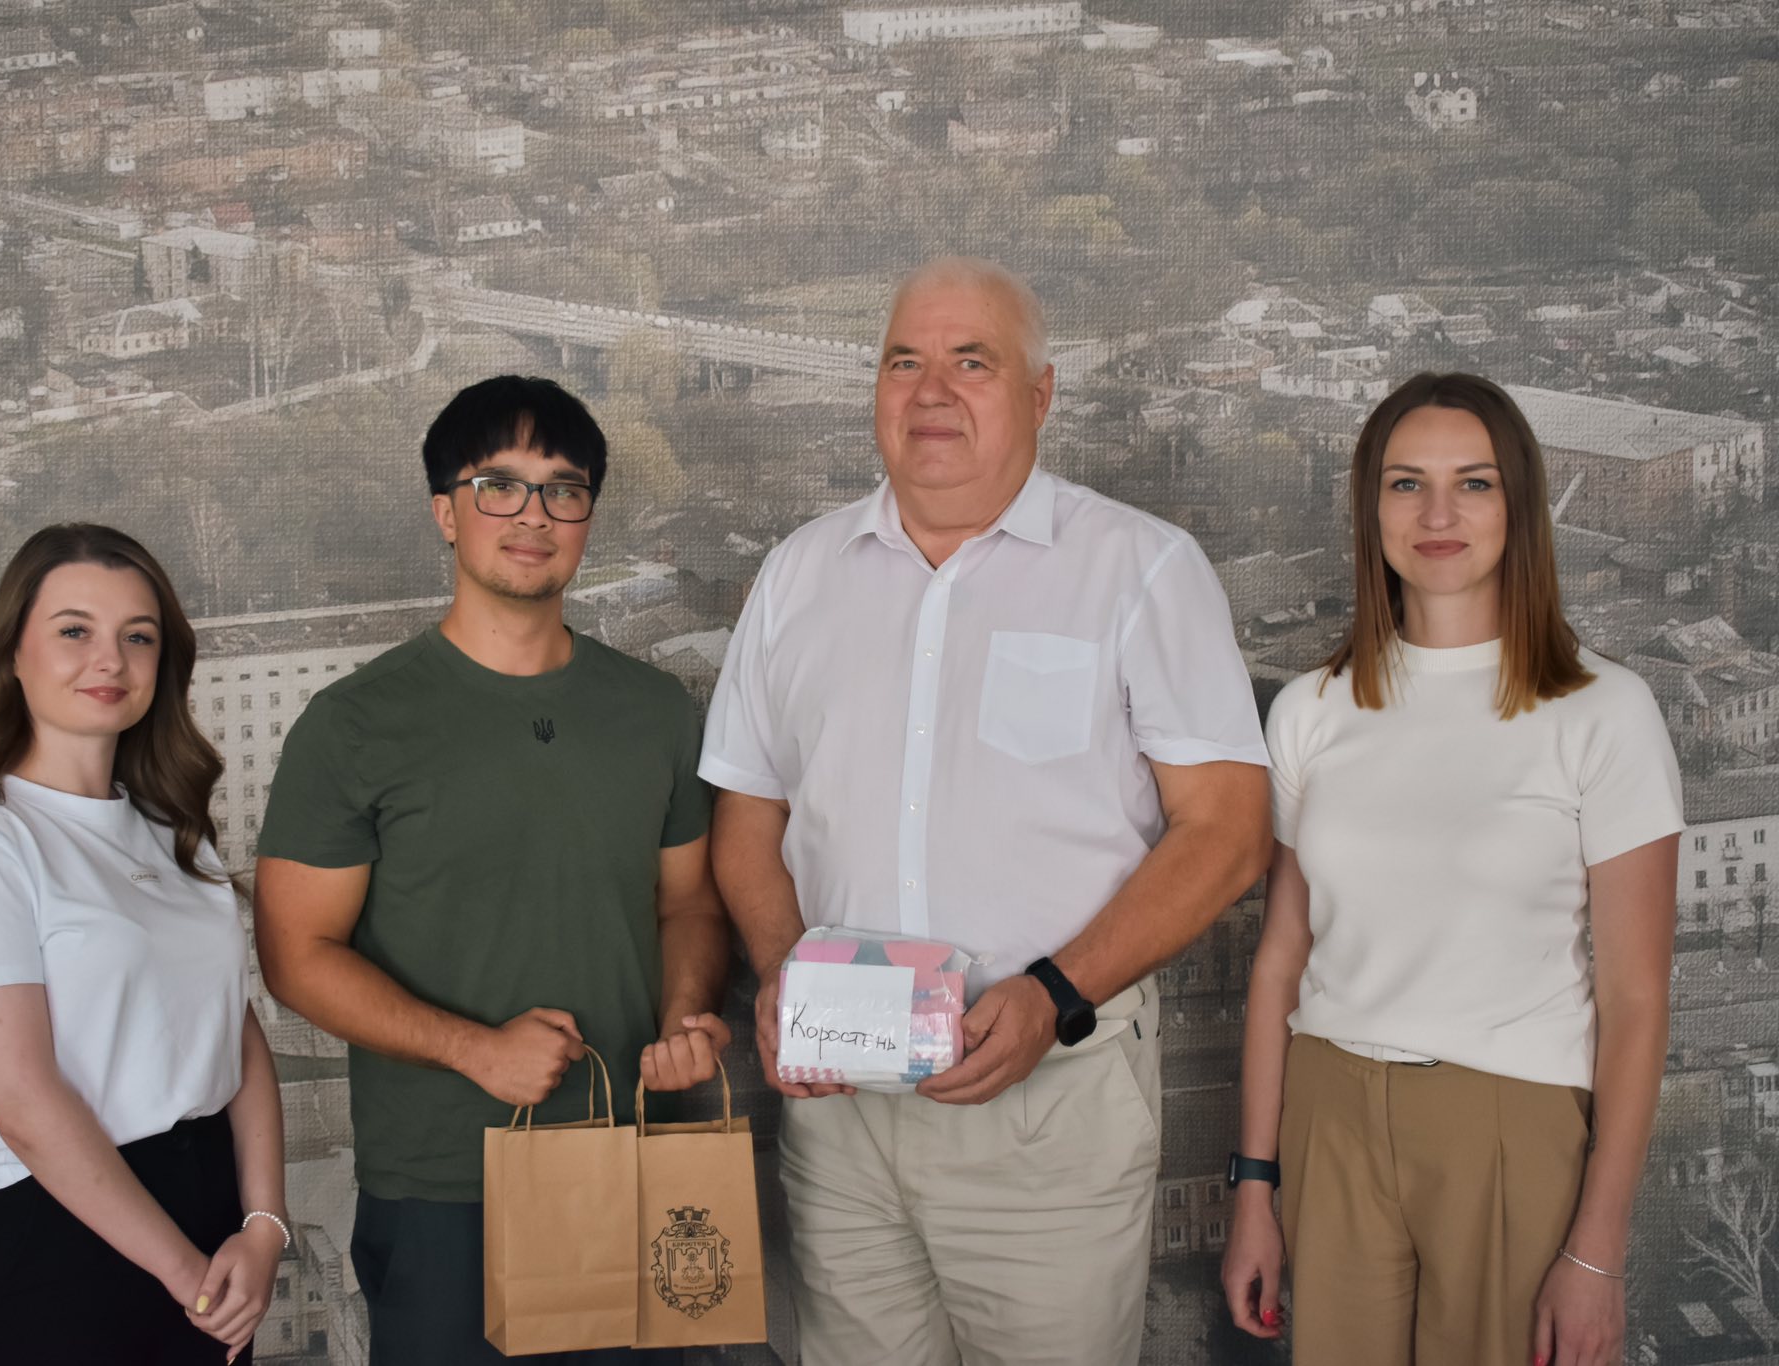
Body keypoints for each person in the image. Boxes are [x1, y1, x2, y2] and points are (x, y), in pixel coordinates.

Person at [700, 257, 1273, 1366]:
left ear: (1040, 393)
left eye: (972, 363)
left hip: (1050, 1108)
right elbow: (747, 822)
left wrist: (1056, 992)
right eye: (903, 362)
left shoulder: (1141, 570)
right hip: (840, 1116)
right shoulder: (796, 575)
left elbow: (1228, 832)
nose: (931, 392)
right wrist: (781, 975)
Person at [252, 375, 730, 1365]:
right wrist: (474, 1050)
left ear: (588, 515)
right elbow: (296, 955)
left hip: (628, 1155)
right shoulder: (352, 726)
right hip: (443, 1185)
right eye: (498, 485)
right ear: (445, 512)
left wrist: (684, 1022)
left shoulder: (655, 711)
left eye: (564, 488)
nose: (533, 515)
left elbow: (687, 905)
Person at [1220, 373, 1682, 1366]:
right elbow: (1279, 962)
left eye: (1472, 483)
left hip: (1511, 1120)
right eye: (1405, 484)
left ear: (1519, 505)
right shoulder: (1309, 709)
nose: (1436, 515)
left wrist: (1596, 1249)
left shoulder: (1604, 713)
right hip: (1329, 1116)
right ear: (1369, 507)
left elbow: (1636, 998)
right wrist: (1254, 1185)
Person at [0, 523, 287, 1365]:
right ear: (13, 651)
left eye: (138, 636)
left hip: (211, 1213)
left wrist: (264, 1223)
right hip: (57, 1237)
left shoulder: (172, 829)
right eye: (75, 630)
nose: (110, 660)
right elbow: (24, 1105)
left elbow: (236, 1035)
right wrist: (184, 1274)